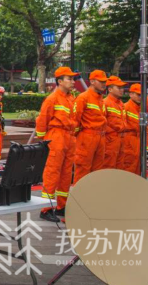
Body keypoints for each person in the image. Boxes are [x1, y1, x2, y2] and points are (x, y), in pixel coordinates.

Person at [35, 66, 78, 223]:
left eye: (73, 79)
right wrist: (43, 141)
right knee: (52, 172)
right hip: (56, 137)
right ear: (60, 81)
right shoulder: (52, 98)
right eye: (69, 79)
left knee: (66, 174)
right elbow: (42, 120)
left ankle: (61, 206)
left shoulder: (71, 98)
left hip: (69, 137)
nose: (73, 82)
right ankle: (46, 208)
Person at [73, 70, 108, 185]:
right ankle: (79, 195)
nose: (104, 84)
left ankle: (93, 194)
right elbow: (75, 120)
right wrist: (80, 137)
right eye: (101, 81)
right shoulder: (83, 97)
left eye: (105, 82)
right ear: (92, 81)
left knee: (97, 171)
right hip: (87, 137)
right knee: (83, 169)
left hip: (100, 137)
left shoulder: (100, 99)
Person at [102, 76, 127, 169]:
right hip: (110, 141)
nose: (122, 90)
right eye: (119, 87)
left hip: (121, 140)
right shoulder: (105, 103)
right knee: (109, 167)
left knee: (119, 167)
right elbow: (102, 124)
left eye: (122, 88)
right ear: (110, 89)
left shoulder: (121, 104)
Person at [121, 84, 142, 175]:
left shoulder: (141, 109)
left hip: (138, 140)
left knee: (137, 166)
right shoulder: (125, 107)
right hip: (128, 141)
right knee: (129, 166)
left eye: (142, 95)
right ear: (131, 94)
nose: (140, 97)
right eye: (138, 95)